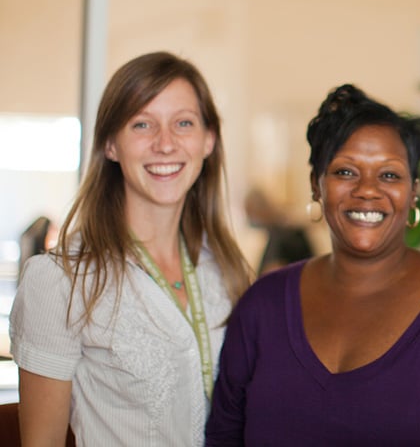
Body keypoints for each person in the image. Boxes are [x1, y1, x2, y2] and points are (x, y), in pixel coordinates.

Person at [206, 83, 420, 445]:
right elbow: (223, 438)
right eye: (345, 172)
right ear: (317, 185)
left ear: (412, 194)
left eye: (390, 175)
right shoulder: (263, 305)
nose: (367, 189)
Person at [10, 51, 252, 446]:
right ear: (110, 145)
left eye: (184, 123)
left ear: (208, 140)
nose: (165, 143)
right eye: (142, 124)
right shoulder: (61, 282)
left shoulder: (227, 271)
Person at [243, 186, 314, 275]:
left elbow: (273, 270)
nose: (251, 221)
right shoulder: (279, 231)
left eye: (251, 214)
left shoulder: (282, 235)